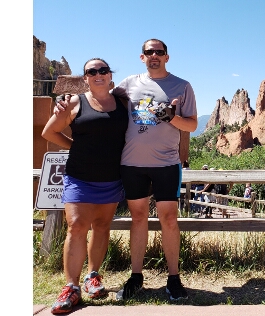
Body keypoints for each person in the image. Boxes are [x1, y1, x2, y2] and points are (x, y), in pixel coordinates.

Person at [58, 39, 198, 301]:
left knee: (169, 219)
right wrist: (66, 99)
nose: (154, 55)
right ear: (142, 57)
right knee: (138, 218)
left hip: (167, 163)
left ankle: (173, 278)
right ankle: (136, 276)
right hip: (132, 163)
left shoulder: (182, 86)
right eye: (149, 52)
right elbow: (99, 93)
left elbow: (191, 125)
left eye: (159, 52)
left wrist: (172, 117)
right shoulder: (129, 84)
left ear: (167, 57)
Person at [42, 58, 128, 314]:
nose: (98, 74)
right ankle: (71, 287)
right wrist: (75, 146)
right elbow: (49, 132)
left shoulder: (123, 102)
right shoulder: (74, 103)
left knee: (101, 226)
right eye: (92, 71)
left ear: (110, 75)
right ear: (85, 78)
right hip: (79, 176)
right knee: (77, 226)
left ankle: (93, 276)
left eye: (103, 70)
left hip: (111, 177)